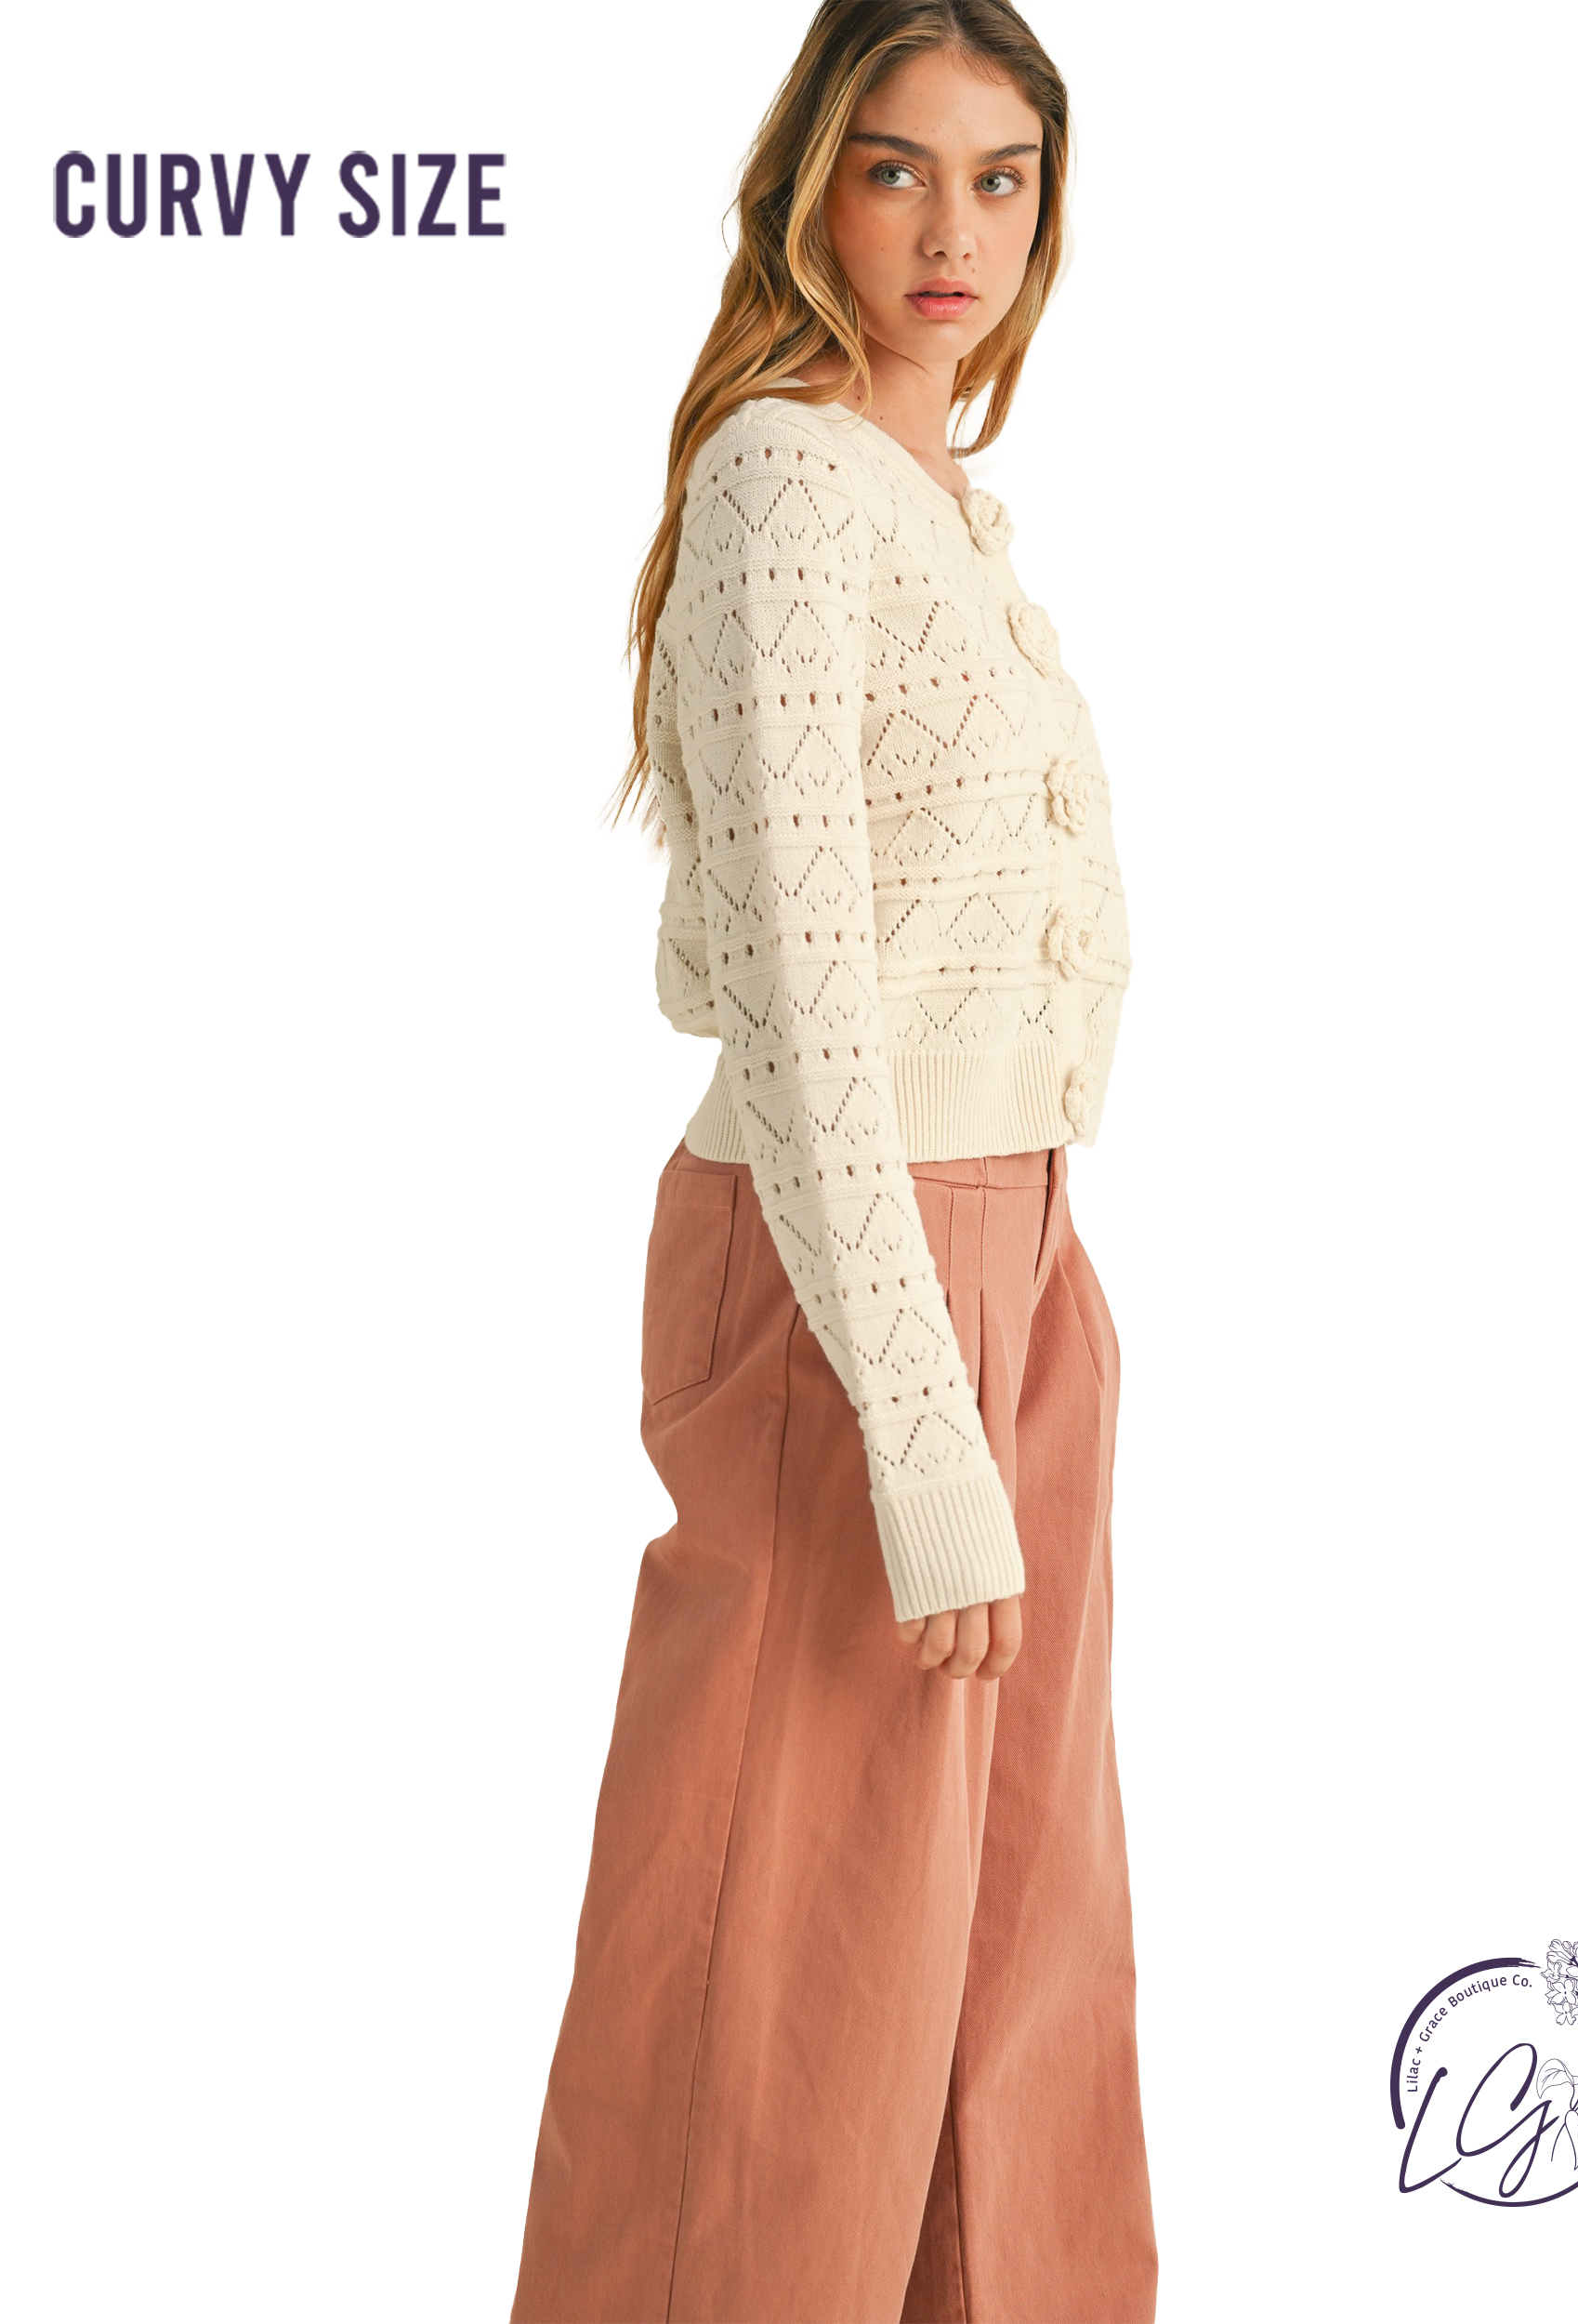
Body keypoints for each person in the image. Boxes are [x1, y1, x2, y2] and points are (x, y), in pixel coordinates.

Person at [508, 4, 1156, 2317]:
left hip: (1018, 1245)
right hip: (843, 1259)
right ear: (812, 188)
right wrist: (917, 1410)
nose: (953, 229)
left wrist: (1016, 1336)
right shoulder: (788, 482)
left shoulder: (942, 501)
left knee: (1003, 1961)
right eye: (897, 169)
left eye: (1002, 177)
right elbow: (799, 988)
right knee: (781, 1973)